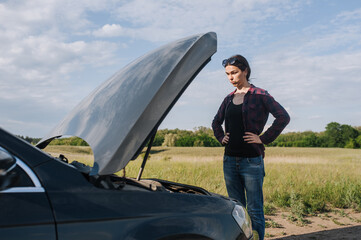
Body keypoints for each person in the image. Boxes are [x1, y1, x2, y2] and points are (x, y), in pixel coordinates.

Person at [212, 55, 290, 240]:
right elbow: (216, 121)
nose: (231, 77)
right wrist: (221, 137)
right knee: (237, 209)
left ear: (245, 71)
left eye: (234, 72)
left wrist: (263, 139)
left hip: (251, 162)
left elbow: (283, 117)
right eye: (227, 74)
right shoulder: (228, 99)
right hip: (229, 160)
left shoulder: (260, 95)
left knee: (254, 210)